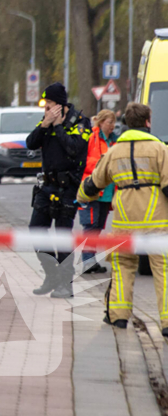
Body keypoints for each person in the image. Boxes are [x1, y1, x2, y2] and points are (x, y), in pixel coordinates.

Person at [79, 102, 168, 333]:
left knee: (122, 267)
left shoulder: (114, 151)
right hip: (156, 221)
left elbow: (94, 182)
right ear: (148, 122)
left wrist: (80, 196)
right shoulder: (160, 149)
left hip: (124, 221)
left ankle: (118, 318)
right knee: (163, 269)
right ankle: (167, 323)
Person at [26, 82, 91, 298]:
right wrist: (44, 125)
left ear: (61, 105)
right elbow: (31, 143)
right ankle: (51, 275)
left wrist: (58, 126)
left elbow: (74, 148)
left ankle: (66, 283)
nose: (46, 110)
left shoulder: (80, 123)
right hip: (46, 186)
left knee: (63, 236)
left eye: (50, 106)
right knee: (36, 230)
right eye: (45, 107)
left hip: (67, 187)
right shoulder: (46, 121)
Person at [80, 109, 117, 275]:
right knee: (90, 225)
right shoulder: (91, 138)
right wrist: (101, 163)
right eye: (109, 122)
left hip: (108, 191)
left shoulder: (115, 140)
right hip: (92, 189)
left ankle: (91, 260)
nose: (112, 126)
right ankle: (87, 261)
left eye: (114, 123)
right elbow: (83, 161)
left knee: (98, 226)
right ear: (101, 122)